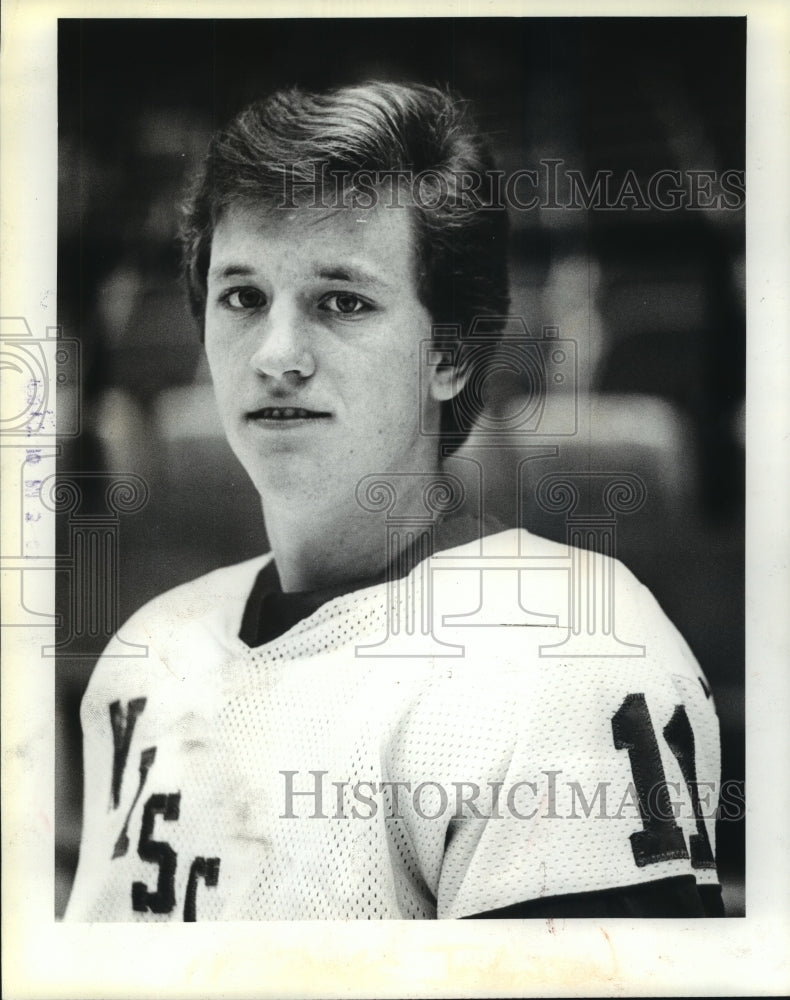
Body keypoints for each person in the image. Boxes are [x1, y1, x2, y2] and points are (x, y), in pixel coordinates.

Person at [65, 81, 724, 921]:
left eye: (342, 301)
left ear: (448, 357)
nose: (277, 355)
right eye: (243, 296)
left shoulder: (568, 648)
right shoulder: (148, 650)